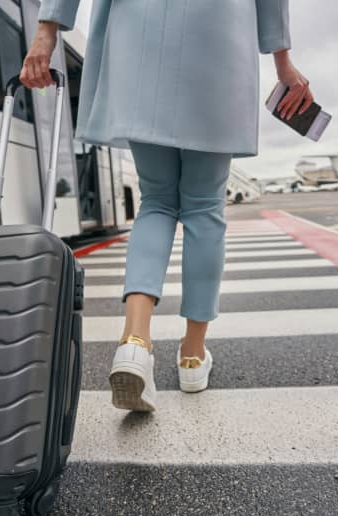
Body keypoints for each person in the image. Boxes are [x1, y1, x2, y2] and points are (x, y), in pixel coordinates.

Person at [21, 0, 313, 412]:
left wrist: (47, 32)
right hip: (217, 34)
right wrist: (283, 60)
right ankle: (192, 355)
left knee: (156, 201)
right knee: (204, 208)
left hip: (138, 36)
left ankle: (134, 343)